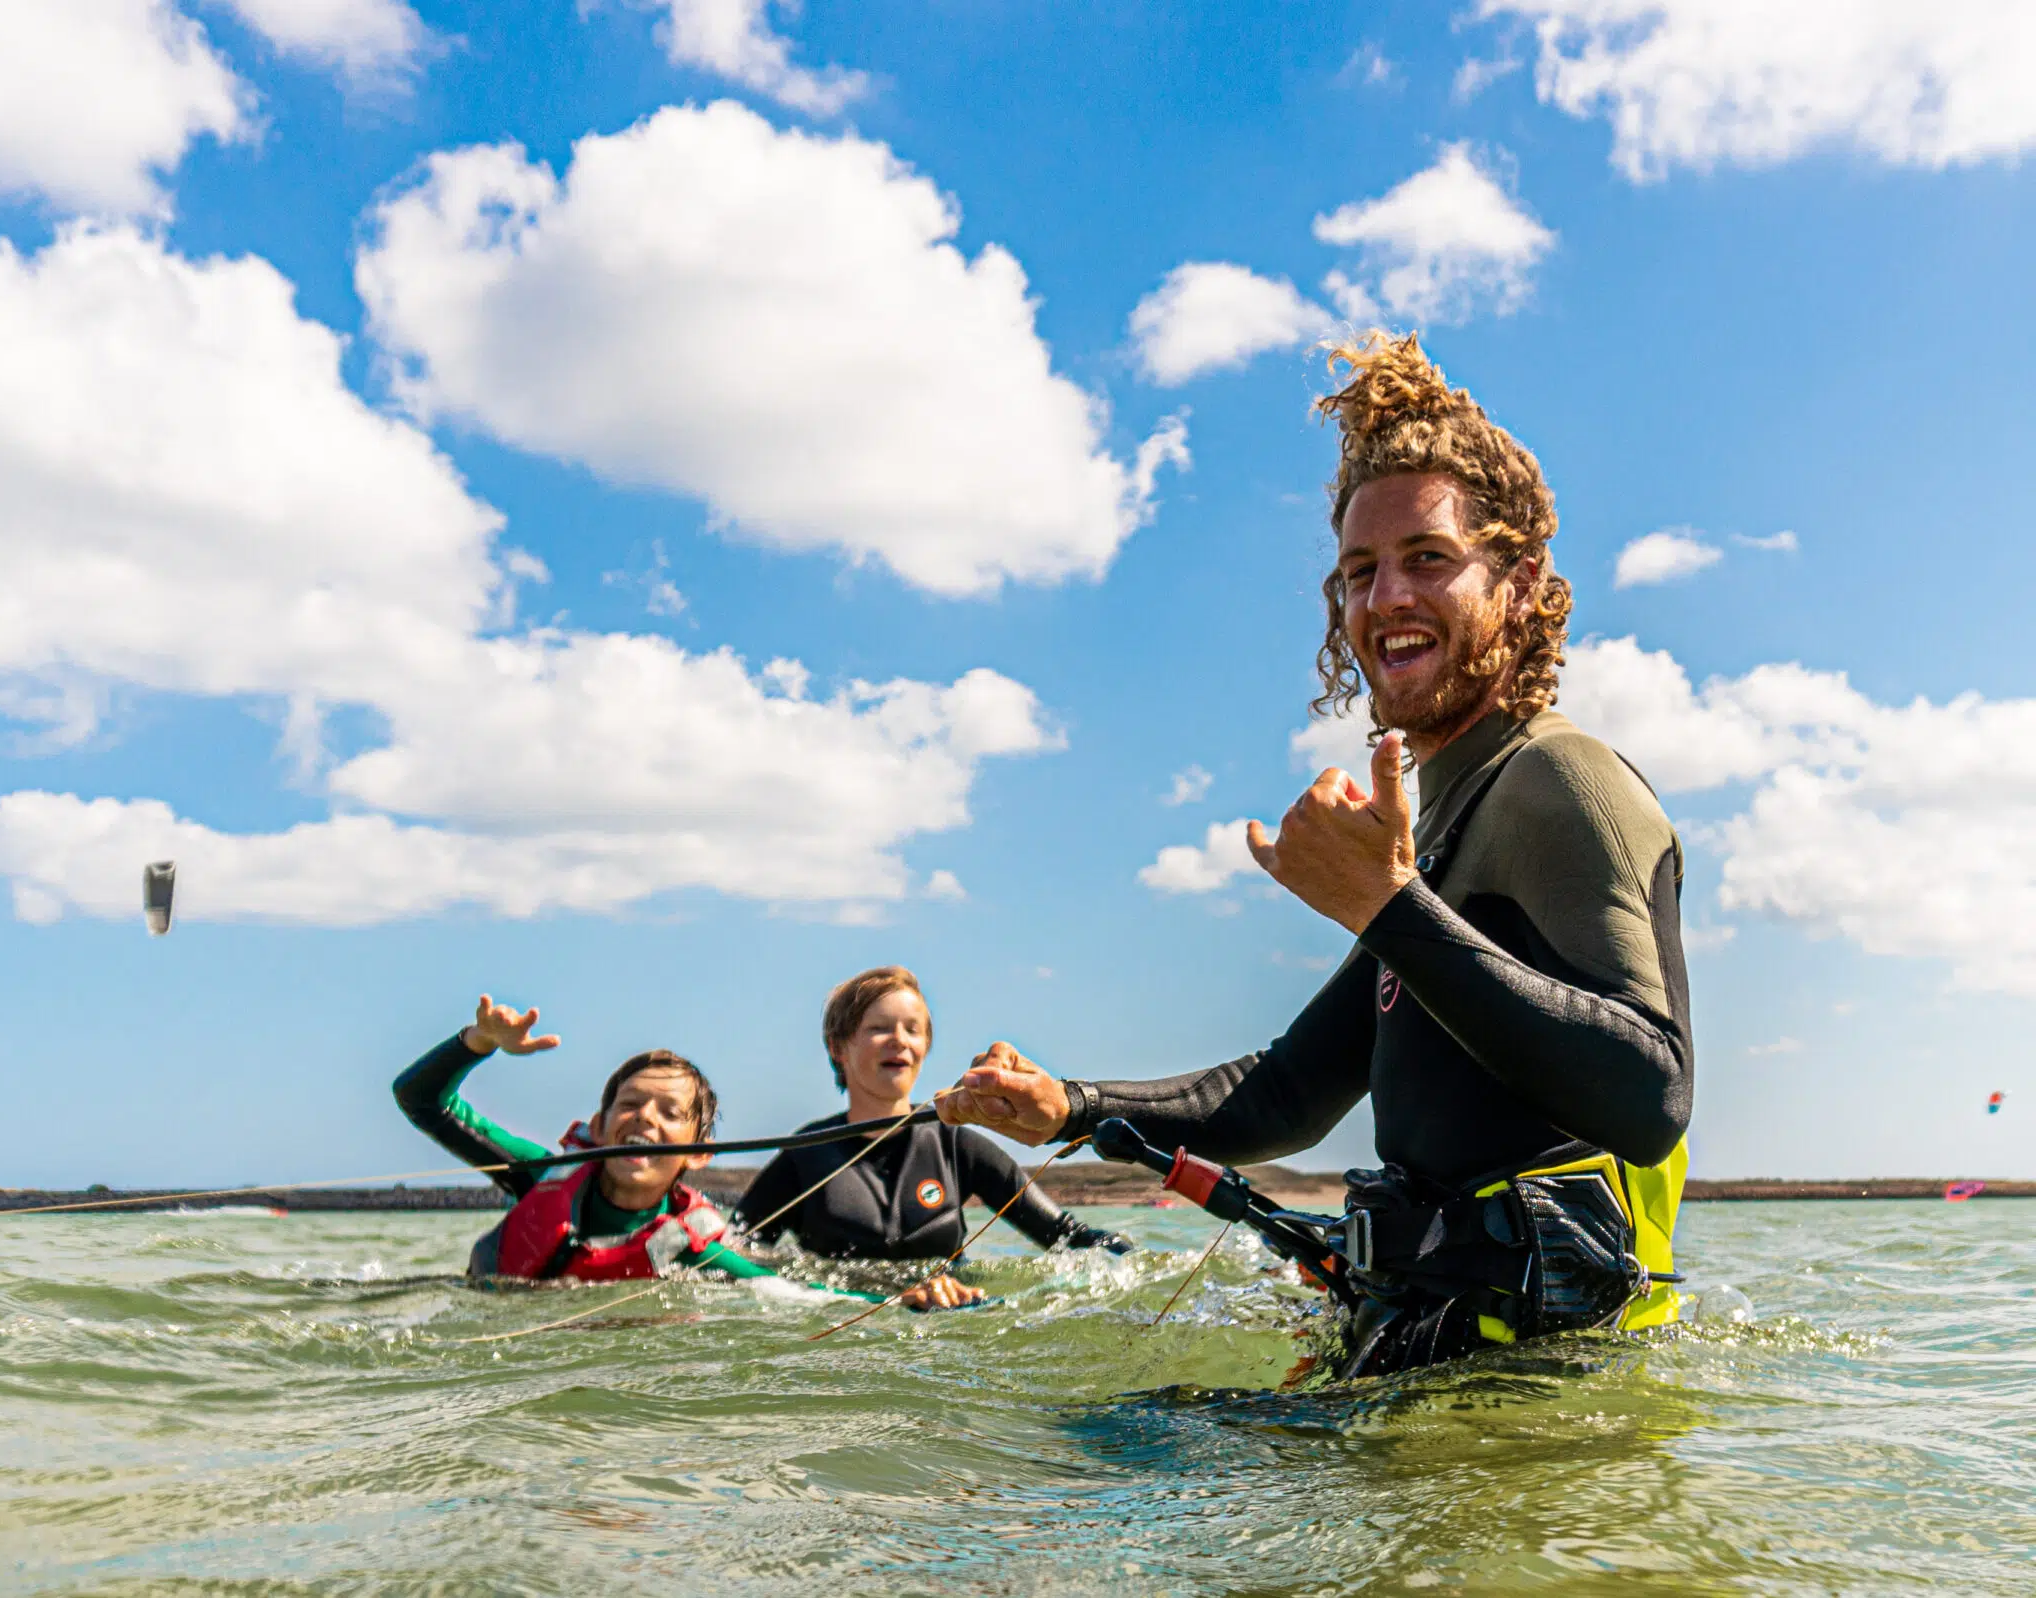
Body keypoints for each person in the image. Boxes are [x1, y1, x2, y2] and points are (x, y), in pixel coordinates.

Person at [937, 332, 1692, 1379]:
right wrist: (1072, 1103)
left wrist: (1387, 906)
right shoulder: (1443, 822)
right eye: (1358, 571)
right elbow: (1288, 1091)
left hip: (1539, 1395)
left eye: (1427, 558)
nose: (1385, 597)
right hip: (1433, 1354)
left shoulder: (1558, 782)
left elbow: (1648, 1098)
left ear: (1519, 582)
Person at [394, 994, 980, 1307]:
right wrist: (475, 1044)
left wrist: (904, 1300)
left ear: (698, 1153)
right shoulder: (541, 1176)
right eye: (629, 1106)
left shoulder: (689, 1244)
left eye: (670, 1114)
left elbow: (792, 1293)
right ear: (597, 1127)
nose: (644, 1118)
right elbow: (420, 1101)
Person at [735, 967, 1129, 1260]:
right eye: (879, 1028)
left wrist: (1141, 1263)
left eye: (913, 1029)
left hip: (945, 1335)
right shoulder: (804, 1155)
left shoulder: (958, 1146)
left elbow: (1065, 1236)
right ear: (839, 1047)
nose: (899, 1042)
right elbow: (728, 1257)